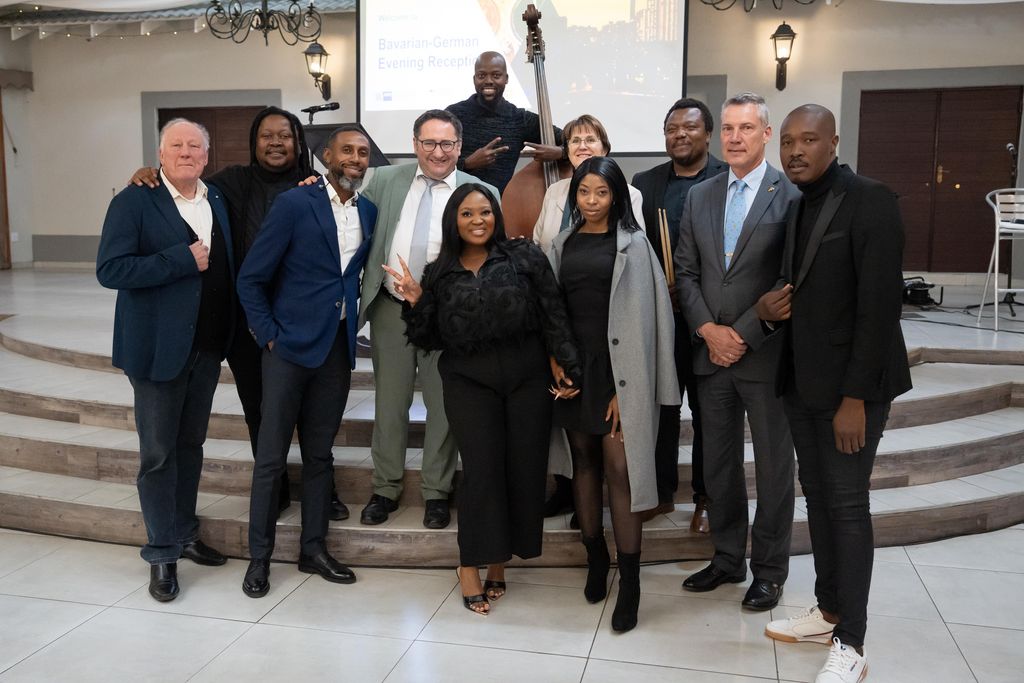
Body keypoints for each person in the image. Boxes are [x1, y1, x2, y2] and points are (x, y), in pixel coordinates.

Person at [129, 108, 349, 521]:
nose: (276, 143)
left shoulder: (319, 185)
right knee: (260, 410)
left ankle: (325, 490)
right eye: (267, 135)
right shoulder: (230, 183)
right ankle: (276, 487)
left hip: (308, 321)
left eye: (285, 135)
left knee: (315, 415)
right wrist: (151, 172)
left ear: (298, 142)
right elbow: (183, 184)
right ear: (254, 142)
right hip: (250, 322)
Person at [760, 104, 911, 683]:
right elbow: (802, 292)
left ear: (834, 142)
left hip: (853, 391)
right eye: (789, 141)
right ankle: (827, 611)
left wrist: (855, 398)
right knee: (818, 500)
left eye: (809, 140)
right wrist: (768, 311)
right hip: (802, 380)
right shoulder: (800, 205)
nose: (795, 150)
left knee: (847, 507)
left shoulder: (872, 199)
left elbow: (879, 309)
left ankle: (853, 642)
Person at [387, 184, 581, 616]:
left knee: (522, 471)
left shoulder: (524, 257)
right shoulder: (440, 271)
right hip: (468, 382)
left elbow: (554, 314)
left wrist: (566, 363)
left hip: (527, 378)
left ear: (496, 215)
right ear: (454, 221)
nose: (478, 220)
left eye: (485, 212)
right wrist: (416, 300)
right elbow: (429, 338)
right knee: (482, 471)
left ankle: (500, 561)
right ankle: (468, 564)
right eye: (467, 214)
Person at [235, 126, 378, 597]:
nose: (356, 159)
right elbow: (251, 279)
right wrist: (269, 336)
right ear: (325, 156)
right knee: (271, 459)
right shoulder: (296, 203)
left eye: (363, 152)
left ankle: (313, 550)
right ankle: (259, 560)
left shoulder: (370, 212)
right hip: (288, 351)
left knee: (320, 456)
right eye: (347, 151)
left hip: (336, 350)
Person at [97, 118, 233, 602]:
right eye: (177, 145)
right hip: (155, 350)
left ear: (207, 153)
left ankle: (185, 532)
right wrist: (179, 259)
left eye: (195, 145)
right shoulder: (135, 199)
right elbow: (110, 269)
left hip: (206, 348)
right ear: (159, 152)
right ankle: (161, 554)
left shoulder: (215, 198)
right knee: (158, 454)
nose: (186, 152)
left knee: (190, 446)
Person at [674, 92, 800, 611]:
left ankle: (769, 571)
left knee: (773, 469)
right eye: (727, 128)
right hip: (710, 355)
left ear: (766, 134)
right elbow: (684, 271)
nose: (734, 137)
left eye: (746, 128)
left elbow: (790, 281)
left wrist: (742, 333)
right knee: (718, 467)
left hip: (765, 356)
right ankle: (728, 559)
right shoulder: (701, 196)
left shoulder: (790, 196)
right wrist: (706, 327)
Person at [548, 156, 679, 632]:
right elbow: (550, 310)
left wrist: (632, 393)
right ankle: (595, 557)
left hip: (621, 371)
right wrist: (554, 360)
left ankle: (632, 582)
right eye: (584, 192)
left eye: (601, 193)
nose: (592, 201)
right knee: (582, 462)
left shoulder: (636, 245)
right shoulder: (560, 244)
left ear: (617, 196)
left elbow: (651, 324)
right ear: (575, 196)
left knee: (620, 469)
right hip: (575, 369)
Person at [357, 109, 500, 529]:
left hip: (447, 317)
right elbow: (347, 215)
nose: (438, 152)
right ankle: (385, 488)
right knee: (389, 404)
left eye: (447, 144)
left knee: (443, 405)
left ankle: (437, 492)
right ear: (415, 143)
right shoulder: (383, 181)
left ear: (459, 146)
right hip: (391, 309)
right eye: (429, 143)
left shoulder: (481, 190)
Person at [632, 97, 729, 530]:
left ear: (708, 133)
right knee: (663, 408)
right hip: (662, 316)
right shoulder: (644, 182)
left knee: (710, 413)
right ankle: (661, 492)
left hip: (712, 319)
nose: (680, 135)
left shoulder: (729, 179)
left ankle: (708, 498)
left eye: (689, 128)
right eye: (672, 129)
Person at [446, 51, 565, 193]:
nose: (488, 80)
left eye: (496, 75)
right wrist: (466, 164)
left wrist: (561, 152)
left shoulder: (520, 119)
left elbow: (577, 141)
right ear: (474, 79)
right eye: (481, 75)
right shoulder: (452, 115)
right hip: (455, 204)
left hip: (500, 208)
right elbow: (433, 160)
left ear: (506, 78)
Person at [532, 114, 646, 252]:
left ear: (604, 149)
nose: (582, 146)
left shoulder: (630, 194)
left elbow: (635, 250)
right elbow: (537, 243)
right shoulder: (554, 190)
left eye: (590, 140)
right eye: (575, 141)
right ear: (567, 151)